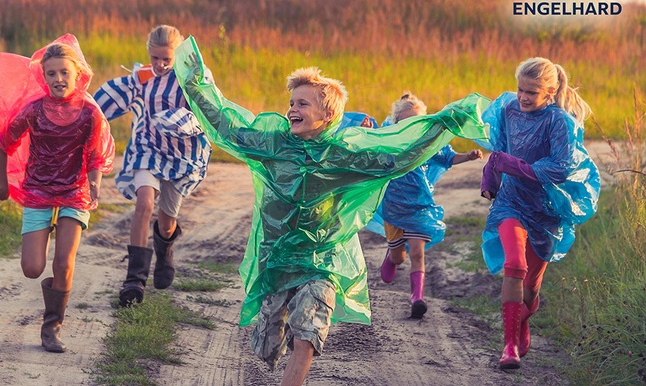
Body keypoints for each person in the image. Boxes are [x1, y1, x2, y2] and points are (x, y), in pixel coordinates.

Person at [172, 36, 489, 386]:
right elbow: (226, 125)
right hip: (276, 258)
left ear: (327, 115)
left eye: (303, 104)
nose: (292, 109)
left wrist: (445, 124)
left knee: (308, 333)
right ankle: (277, 325)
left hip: (322, 259)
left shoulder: (342, 155)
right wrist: (196, 82)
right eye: (291, 102)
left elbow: (396, 157)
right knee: (266, 346)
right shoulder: (273, 143)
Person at [0, 39, 115, 353]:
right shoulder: (33, 110)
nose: (58, 79)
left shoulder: (90, 113)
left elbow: (95, 157)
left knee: (64, 262)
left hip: (75, 192)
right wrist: (3, 186)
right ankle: (50, 302)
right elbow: (2, 143)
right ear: (43, 77)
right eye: (51, 73)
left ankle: (52, 327)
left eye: (64, 72)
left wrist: (95, 183)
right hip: (38, 191)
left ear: (78, 75)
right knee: (32, 267)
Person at [479, 57, 600, 370]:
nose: (522, 97)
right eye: (520, 89)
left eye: (531, 92)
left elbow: (561, 168)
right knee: (514, 265)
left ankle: (523, 319)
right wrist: (491, 178)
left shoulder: (559, 122)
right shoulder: (508, 110)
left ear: (550, 91)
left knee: (531, 287)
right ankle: (508, 347)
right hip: (510, 202)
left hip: (546, 209)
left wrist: (518, 167)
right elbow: (500, 151)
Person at [94, 25, 211, 307]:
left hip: (180, 156)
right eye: (155, 58)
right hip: (147, 149)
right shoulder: (142, 79)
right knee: (144, 203)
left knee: (166, 220)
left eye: (165, 59)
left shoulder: (190, 80)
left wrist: (182, 120)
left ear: (176, 56)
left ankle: (165, 248)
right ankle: (134, 280)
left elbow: (208, 112)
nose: (159, 65)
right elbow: (106, 102)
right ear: (149, 53)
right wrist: (83, 115)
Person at [376, 92, 483, 319]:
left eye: (417, 122)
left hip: (420, 207)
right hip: (394, 209)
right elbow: (368, 152)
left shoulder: (429, 142)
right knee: (399, 257)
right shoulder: (388, 141)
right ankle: (392, 256)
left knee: (417, 253)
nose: (412, 127)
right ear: (396, 123)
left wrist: (469, 156)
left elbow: (447, 157)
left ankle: (417, 298)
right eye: (406, 122)